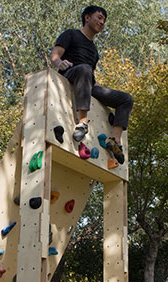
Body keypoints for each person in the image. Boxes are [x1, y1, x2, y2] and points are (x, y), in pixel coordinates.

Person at [50, 5, 133, 164]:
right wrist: (59, 63)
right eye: (99, 17)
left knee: (126, 99)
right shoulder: (71, 34)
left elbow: (91, 76)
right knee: (84, 69)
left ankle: (115, 141)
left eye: (104, 20)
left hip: (87, 80)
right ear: (87, 18)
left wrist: (103, 93)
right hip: (71, 74)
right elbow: (55, 55)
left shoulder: (94, 50)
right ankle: (82, 123)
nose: (102, 22)